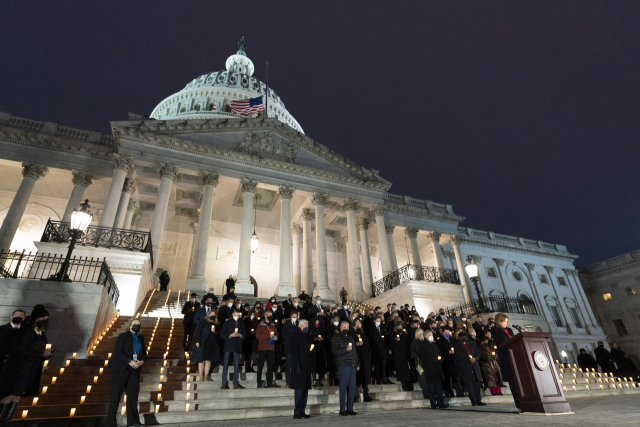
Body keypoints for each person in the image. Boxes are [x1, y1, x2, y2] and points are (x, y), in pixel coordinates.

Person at [0, 307, 51, 426]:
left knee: (17, 395)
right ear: (35, 318)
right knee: (9, 394)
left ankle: (7, 420)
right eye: (42, 319)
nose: (45, 321)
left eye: (46, 319)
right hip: (19, 367)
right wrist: (38, 354)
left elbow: (40, 348)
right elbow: (20, 349)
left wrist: (44, 355)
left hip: (31, 368)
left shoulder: (41, 333)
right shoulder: (26, 330)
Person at [106, 318, 146, 427]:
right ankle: (110, 423)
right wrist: (129, 361)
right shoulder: (123, 336)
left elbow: (144, 354)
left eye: (138, 324)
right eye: (135, 324)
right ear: (130, 326)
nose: (137, 326)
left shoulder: (141, 338)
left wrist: (141, 361)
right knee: (116, 395)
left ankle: (133, 422)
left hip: (135, 369)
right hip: (121, 369)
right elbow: (118, 351)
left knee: (133, 396)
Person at [491, 313, 520, 410]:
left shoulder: (510, 330)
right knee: (512, 381)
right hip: (505, 357)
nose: (506, 324)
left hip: (514, 355)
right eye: (504, 322)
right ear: (499, 321)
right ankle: (519, 404)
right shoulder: (495, 330)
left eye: (507, 322)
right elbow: (499, 343)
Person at [332, 321, 359, 416]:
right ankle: (342, 409)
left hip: (352, 365)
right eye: (344, 327)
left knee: (352, 388)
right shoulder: (336, 337)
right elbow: (334, 351)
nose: (346, 329)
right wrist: (345, 349)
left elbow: (354, 352)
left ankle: (350, 408)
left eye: (347, 327)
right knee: (343, 388)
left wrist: (357, 363)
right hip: (343, 365)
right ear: (340, 327)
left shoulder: (351, 337)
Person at [452, 332, 485, 406]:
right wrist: (468, 359)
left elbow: (477, 352)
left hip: (474, 365)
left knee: (476, 385)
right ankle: (474, 401)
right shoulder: (457, 345)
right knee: (470, 386)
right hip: (465, 366)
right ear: (459, 337)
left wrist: (475, 358)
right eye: (462, 336)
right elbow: (459, 355)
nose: (464, 337)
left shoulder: (472, 343)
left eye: (465, 336)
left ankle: (478, 400)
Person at [417, 330, 448, 409]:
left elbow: (439, 354)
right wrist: (434, 360)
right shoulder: (422, 345)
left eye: (431, 335)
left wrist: (440, 360)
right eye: (429, 335)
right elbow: (423, 357)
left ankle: (440, 403)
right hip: (429, 368)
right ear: (425, 336)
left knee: (438, 386)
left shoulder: (434, 345)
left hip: (437, 367)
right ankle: (433, 403)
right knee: (430, 387)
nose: (431, 337)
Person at [289, 319, 311, 419]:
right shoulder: (295, 334)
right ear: (301, 325)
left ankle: (302, 410)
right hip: (299, 366)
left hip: (305, 365)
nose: (307, 327)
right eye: (306, 325)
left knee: (305, 390)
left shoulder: (305, 335)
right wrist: (297, 365)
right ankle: (297, 412)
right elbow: (294, 351)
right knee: (299, 389)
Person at [220, 308, 247, 389]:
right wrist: (230, 335)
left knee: (236, 365)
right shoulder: (227, 323)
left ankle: (235, 383)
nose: (237, 316)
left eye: (238, 315)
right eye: (235, 315)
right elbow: (222, 335)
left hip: (237, 345)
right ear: (232, 314)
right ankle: (224, 383)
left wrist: (240, 335)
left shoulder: (241, 323)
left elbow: (245, 335)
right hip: (228, 345)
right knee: (225, 365)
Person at [191, 308, 219, 381]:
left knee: (208, 360)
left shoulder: (216, 324)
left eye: (214, 315)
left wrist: (215, 332)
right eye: (211, 314)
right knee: (201, 360)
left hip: (211, 343)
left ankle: (206, 376)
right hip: (203, 342)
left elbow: (219, 335)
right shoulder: (203, 322)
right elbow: (198, 332)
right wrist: (197, 341)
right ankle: (201, 376)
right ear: (208, 314)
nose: (212, 316)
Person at [256, 310, 280, 388]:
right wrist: (268, 336)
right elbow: (258, 336)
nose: (271, 316)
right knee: (260, 366)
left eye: (271, 315)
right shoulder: (260, 325)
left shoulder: (273, 325)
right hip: (262, 348)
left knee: (270, 366)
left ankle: (269, 382)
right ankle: (259, 383)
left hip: (271, 348)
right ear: (265, 316)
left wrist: (276, 338)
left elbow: (277, 334)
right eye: (269, 315)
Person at [353, 318, 374, 402]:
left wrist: (369, 357)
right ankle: (355, 396)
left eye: (359, 323)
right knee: (357, 378)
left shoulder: (364, 335)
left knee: (365, 378)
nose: (358, 325)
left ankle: (366, 395)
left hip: (365, 359)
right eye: (356, 323)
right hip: (357, 359)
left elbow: (368, 347)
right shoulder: (353, 334)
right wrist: (355, 344)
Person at [367, 314, 392, 385]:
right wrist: (378, 338)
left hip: (382, 349)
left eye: (379, 321)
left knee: (383, 365)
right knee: (377, 365)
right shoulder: (371, 328)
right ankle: (378, 380)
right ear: (374, 321)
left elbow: (386, 337)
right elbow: (371, 337)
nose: (379, 322)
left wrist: (383, 338)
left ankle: (384, 378)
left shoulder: (382, 327)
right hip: (376, 349)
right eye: (377, 321)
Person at [389, 322, 413, 391]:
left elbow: (408, 343)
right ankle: (404, 385)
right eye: (399, 327)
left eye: (401, 327)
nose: (400, 328)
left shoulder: (404, 335)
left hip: (406, 355)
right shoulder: (393, 335)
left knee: (408, 370)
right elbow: (392, 345)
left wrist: (407, 334)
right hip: (398, 356)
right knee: (402, 371)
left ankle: (409, 385)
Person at [282, 310, 300, 387]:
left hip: (297, 348)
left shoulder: (299, 324)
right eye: (293, 317)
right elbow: (284, 335)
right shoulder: (286, 324)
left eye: (296, 317)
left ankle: (295, 380)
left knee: (295, 365)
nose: (295, 318)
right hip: (289, 347)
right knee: (288, 364)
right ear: (290, 316)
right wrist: (291, 339)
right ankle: (288, 381)